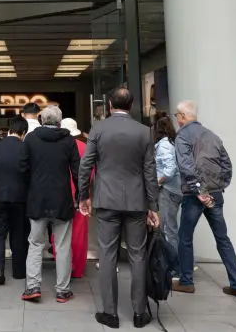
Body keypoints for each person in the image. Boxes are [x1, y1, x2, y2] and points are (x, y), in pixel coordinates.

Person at [77, 87, 159, 330]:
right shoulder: (144, 132)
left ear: (110, 104)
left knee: (108, 254)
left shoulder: (99, 129)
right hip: (136, 202)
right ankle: (139, 313)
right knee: (137, 255)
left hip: (106, 200)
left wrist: (83, 195)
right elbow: (150, 171)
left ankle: (110, 313)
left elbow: (86, 164)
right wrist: (153, 205)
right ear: (131, 105)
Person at [171, 100, 236, 299]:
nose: (177, 119)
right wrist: (219, 187)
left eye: (177, 115)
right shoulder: (212, 136)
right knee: (223, 239)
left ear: (182, 117)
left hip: (194, 196)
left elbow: (186, 166)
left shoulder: (182, 137)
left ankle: (186, 281)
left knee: (185, 237)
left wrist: (200, 191)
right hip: (215, 194)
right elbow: (227, 165)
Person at [20, 104, 80, 304]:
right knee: (62, 246)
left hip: (37, 199)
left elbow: (23, 168)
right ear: (60, 121)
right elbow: (77, 170)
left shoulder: (31, 139)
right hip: (62, 199)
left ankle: (33, 287)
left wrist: (30, 188)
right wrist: (81, 196)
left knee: (35, 244)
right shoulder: (68, 140)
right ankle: (63, 290)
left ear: (41, 120)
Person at [0, 116, 28, 286]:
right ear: (23, 132)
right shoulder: (26, 148)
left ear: (10, 129)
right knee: (19, 233)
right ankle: (18, 271)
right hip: (20, 197)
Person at [57, 118, 90, 279]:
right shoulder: (85, 147)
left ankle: (63, 269)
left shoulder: (57, 147)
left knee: (59, 233)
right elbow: (90, 174)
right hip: (80, 194)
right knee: (79, 232)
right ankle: (77, 269)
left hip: (60, 193)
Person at [153, 112, 181, 248]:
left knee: (168, 229)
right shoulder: (173, 142)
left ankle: (174, 264)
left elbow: (170, 169)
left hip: (168, 191)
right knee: (171, 227)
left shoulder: (164, 145)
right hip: (176, 189)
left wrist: (158, 181)